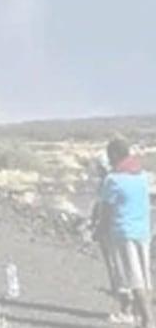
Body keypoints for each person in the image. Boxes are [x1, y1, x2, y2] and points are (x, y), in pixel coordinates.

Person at [97, 138, 152, 327]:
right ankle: (139, 316)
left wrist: (99, 231)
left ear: (113, 156)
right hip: (143, 231)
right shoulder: (142, 175)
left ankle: (146, 319)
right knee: (144, 276)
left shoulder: (112, 180)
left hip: (122, 232)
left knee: (131, 278)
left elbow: (106, 211)